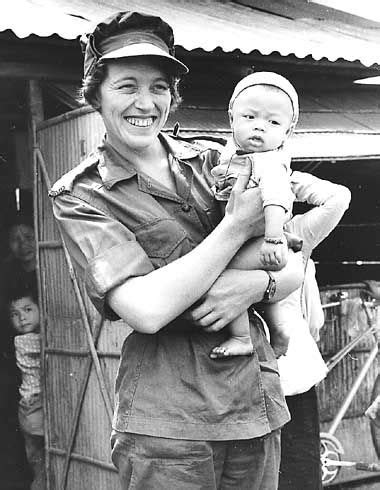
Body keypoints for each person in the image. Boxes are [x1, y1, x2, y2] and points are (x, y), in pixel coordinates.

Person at [49, 10, 305, 489]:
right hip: (168, 427)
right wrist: (234, 228)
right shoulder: (82, 195)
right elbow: (145, 309)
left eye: (159, 87)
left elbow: (295, 266)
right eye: (127, 85)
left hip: (255, 408)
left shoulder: (217, 162)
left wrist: (251, 285)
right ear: (95, 93)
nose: (145, 103)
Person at [210, 71, 300, 359]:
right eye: (250, 117)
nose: (259, 128)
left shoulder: (268, 162)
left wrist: (274, 238)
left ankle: (240, 337)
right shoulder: (231, 154)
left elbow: (275, 199)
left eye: (273, 122)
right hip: (255, 237)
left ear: (288, 131)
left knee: (222, 271)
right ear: (231, 118)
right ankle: (280, 327)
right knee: (252, 278)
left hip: (263, 241)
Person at [272, 173, 351, 489]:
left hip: (289, 371)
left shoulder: (293, 232)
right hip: (236, 374)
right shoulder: (220, 226)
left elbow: (338, 197)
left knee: (297, 471)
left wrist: (275, 175)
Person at [8, 284, 45, 490]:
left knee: (37, 457)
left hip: (32, 408)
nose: (22, 318)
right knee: (40, 457)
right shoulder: (23, 341)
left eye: (28, 310)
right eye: (15, 314)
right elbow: (49, 341)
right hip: (33, 407)